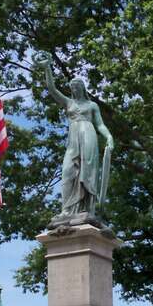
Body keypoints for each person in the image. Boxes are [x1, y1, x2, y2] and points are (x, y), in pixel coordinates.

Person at [36, 53, 114, 222]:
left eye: (77, 86)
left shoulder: (92, 105)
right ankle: (67, 210)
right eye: (72, 87)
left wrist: (109, 137)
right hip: (74, 139)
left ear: (82, 88)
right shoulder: (68, 103)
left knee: (88, 171)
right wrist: (47, 68)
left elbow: (99, 124)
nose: (74, 88)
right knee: (67, 171)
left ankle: (86, 209)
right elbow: (52, 89)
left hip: (89, 135)